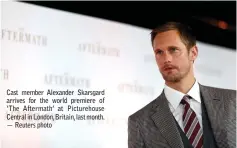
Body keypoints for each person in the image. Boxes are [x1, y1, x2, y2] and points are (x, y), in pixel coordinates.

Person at [127, 21, 236, 148]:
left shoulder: (232, 101)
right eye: (159, 52)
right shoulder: (139, 122)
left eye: (173, 50)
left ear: (193, 52)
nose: (166, 59)